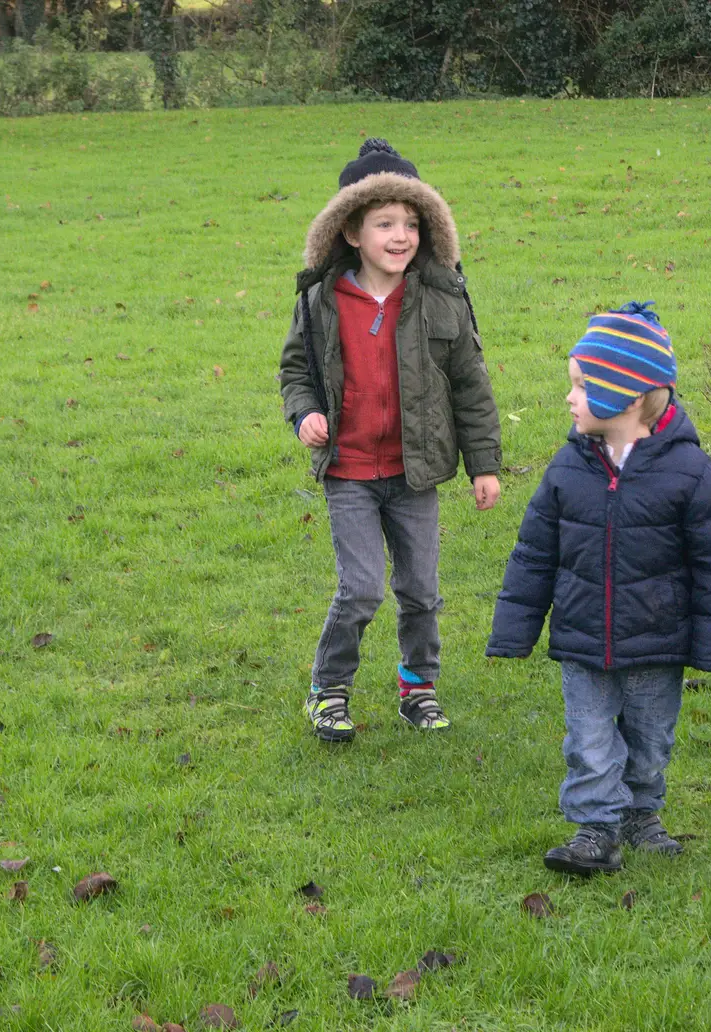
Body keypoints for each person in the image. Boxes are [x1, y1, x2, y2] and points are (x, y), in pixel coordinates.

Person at [486, 302, 711, 875]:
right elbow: (534, 554)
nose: (569, 399)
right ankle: (597, 827)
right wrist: (514, 629)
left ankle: (640, 812)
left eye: (581, 387)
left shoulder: (692, 475)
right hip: (583, 637)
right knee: (589, 738)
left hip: (658, 639)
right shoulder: (566, 469)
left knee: (651, 738)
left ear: (626, 397)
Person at [280, 138, 502, 743]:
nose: (400, 236)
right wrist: (304, 415)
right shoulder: (322, 299)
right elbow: (296, 371)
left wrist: (485, 464)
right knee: (361, 589)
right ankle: (329, 691)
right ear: (351, 231)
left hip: (415, 474)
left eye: (410, 222)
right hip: (350, 469)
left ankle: (417, 688)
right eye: (384, 223)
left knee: (421, 591)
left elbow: (470, 385)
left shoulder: (440, 297)